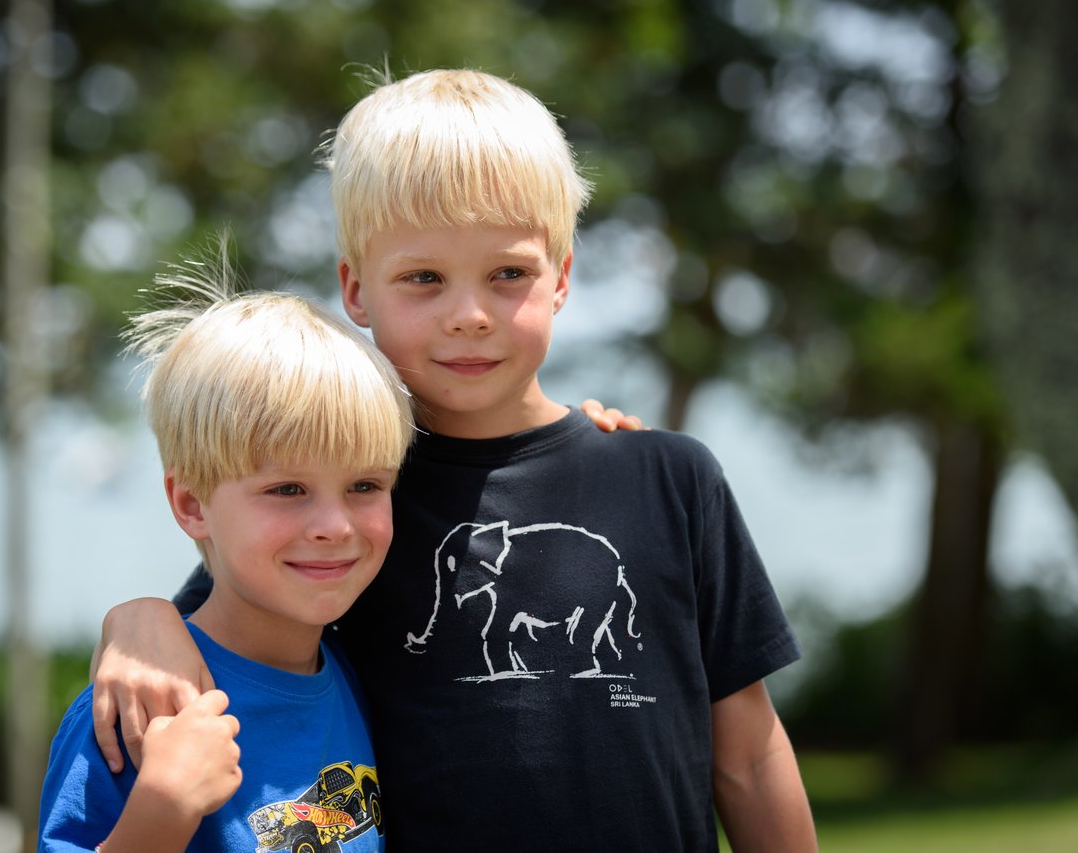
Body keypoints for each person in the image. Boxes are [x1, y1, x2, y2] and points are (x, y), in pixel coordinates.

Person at [92, 68, 817, 851]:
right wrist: (137, 621)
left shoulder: (672, 479)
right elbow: (221, 624)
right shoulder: (351, 506)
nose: (468, 315)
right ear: (357, 289)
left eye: (508, 273)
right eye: (424, 278)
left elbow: (748, 753)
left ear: (562, 276)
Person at [39, 257, 415, 852]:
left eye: (365, 486)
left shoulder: (356, 672)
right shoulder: (135, 710)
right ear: (191, 504)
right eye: (287, 490)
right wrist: (162, 810)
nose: (334, 525)